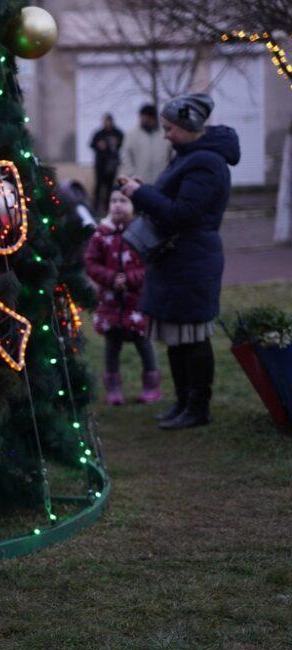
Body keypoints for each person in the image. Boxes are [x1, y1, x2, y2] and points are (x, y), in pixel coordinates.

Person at [118, 93, 240, 430]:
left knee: (192, 337)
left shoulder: (206, 163)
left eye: (170, 128)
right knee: (176, 335)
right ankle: (183, 402)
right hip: (178, 259)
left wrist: (140, 195)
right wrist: (146, 190)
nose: (166, 134)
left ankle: (197, 407)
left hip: (191, 260)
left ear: (189, 127)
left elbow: (184, 214)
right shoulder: (190, 156)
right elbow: (175, 201)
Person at [84, 190, 160, 405]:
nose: (117, 205)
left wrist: (130, 279)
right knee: (112, 347)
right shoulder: (101, 235)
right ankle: (114, 389)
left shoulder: (143, 233)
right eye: (113, 201)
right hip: (111, 303)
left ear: (134, 206)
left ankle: (151, 384)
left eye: (123, 201)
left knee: (144, 345)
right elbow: (91, 263)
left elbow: (151, 265)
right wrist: (110, 278)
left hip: (137, 303)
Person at [119, 104, 171, 187]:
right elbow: (125, 155)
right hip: (139, 183)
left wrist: (169, 174)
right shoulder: (131, 134)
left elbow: (173, 155)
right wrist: (132, 174)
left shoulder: (165, 132)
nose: (143, 121)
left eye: (147, 119)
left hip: (162, 182)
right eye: (141, 118)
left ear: (154, 119)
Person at [90, 114, 125, 214]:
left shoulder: (117, 133)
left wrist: (117, 143)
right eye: (105, 121)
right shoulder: (99, 133)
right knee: (98, 186)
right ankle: (96, 208)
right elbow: (91, 144)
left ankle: (108, 208)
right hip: (100, 164)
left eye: (109, 121)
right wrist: (98, 145)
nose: (107, 123)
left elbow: (124, 143)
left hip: (112, 164)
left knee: (110, 187)